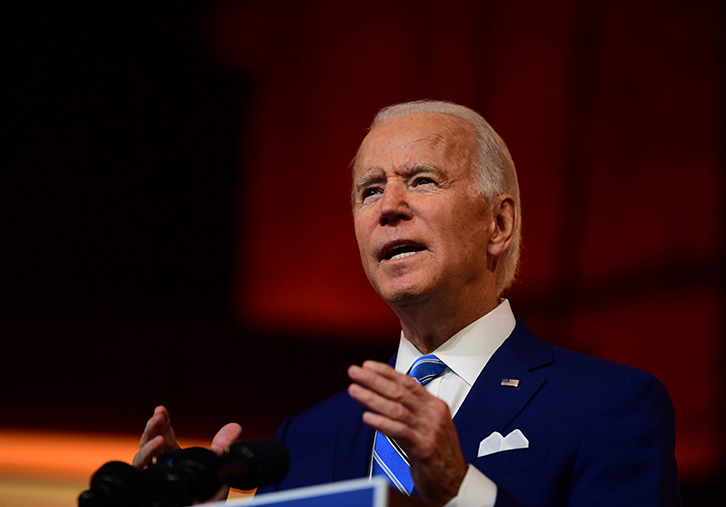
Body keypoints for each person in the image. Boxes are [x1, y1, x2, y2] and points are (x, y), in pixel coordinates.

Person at [134, 100, 680, 506]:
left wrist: (461, 491)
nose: (389, 208)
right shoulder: (303, 439)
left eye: (422, 181)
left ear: (499, 223)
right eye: (370, 190)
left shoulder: (609, 406)